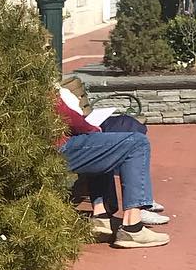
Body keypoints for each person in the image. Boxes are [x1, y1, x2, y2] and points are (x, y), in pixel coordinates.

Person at [54, 96, 169, 249]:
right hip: (57, 149)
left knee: (101, 146)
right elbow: (64, 113)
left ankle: (101, 217)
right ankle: (132, 227)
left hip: (47, 148)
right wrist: (91, 129)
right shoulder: (39, 86)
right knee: (138, 143)